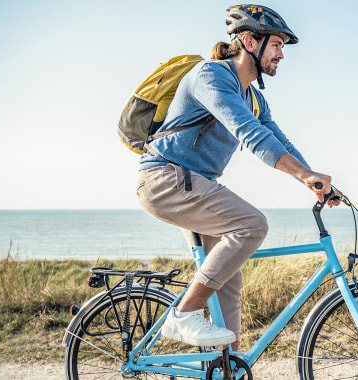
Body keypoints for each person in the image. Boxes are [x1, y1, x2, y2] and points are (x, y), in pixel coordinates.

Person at [136, 4, 339, 349]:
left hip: (194, 184)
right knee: (252, 225)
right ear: (249, 40)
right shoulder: (211, 76)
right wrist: (304, 174)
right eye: (276, 45)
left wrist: (314, 181)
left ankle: (223, 365)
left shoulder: (253, 97)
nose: (281, 55)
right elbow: (251, 135)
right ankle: (183, 315)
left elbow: (278, 140)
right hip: (165, 179)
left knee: (228, 278)